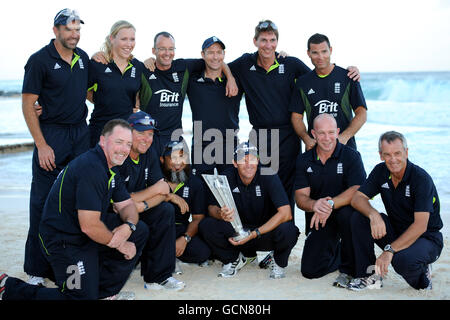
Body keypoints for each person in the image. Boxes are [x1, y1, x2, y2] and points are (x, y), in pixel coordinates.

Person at [0, 119, 149, 300]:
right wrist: (119, 242)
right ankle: (10, 288)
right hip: (63, 241)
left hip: (84, 235)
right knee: (79, 298)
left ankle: (104, 293)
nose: (124, 149)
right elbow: (89, 226)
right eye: (119, 142)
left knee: (139, 230)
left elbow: (127, 205)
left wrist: (129, 227)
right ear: (103, 140)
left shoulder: (111, 168)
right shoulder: (91, 169)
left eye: (128, 144)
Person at [228, 20, 360, 215]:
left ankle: (285, 238)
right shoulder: (244, 63)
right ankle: (261, 233)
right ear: (255, 41)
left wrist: (350, 72)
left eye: (272, 40)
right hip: (261, 136)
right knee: (262, 185)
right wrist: (229, 77)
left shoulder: (290, 64)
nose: (268, 45)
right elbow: (220, 66)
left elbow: (320, 77)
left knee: (287, 188)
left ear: (277, 42)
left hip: (289, 135)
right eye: (263, 40)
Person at [21, 8, 91, 286]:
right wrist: (42, 144)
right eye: (68, 29)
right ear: (56, 31)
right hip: (52, 136)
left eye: (77, 29)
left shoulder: (83, 58)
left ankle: (67, 263)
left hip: (80, 135)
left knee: (77, 201)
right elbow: (28, 105)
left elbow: (88, 92)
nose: (74, 34)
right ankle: (36, 271)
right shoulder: (39, 60)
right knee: (42, 202)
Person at [348, 131, 443, 290]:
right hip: (396, 230)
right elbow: (357, 198)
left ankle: (423, 276)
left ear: (406, 152)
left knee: (401, 260)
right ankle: (369, 276)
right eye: (387, 154)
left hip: (426, 238)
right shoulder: (380, 171)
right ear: (381, 155)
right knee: (359, 217)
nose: (393, 159)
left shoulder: (420, 179)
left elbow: (420, 226)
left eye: (397, 153)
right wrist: (374, 215)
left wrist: (389, 250)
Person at [199, 142, 299, 279]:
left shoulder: (268, 174)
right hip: (238, 233)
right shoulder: (226, 176)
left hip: (263, 233)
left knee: (289, 230)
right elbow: (211, 208)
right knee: (206, 225)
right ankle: (234, 259)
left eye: (252, 159)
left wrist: (254, 233)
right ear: (235, 163)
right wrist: (220, 213)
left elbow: (286, 213)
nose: (248, 164)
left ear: (257, 160)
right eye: (242, 160)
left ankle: (277, 261)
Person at [294, 114, 366, 287]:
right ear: (313, 134)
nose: (327, 138)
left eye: (331, 132)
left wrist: (330, 204)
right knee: (310, 271)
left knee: (350, 216)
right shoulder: (304, 160)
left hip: (345, 214)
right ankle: (339, 253)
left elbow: (358, 190)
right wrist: (315, 205)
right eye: (322, 133)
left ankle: (353, 265)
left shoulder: (352, 156)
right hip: (319, 217)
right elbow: (300, 198)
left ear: (338, 132)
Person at [138, 32, 238, 156]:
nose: (167, 53)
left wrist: (230, 77)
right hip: (148, 138)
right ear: (154, 50)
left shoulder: (183, 67)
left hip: (175, 140)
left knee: (180, 176)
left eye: (170, 49)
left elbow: (215, 61)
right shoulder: (145, 70)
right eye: (162, 49)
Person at [119, 111, 185, 291]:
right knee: (141, 226)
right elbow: (119, 200)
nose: (146, 139)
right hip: (113, 212)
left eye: (150, 134)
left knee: (165, 210)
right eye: (140, 133)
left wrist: (144, 205)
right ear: (127, 132)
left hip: (138, 207)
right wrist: (153, 192)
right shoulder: (118, 155)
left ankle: (158, 277)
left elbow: (164, 192)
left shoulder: (149, 153)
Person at [290, 33, 367, 151]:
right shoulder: (302, 83)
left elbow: (361, 113)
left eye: (324, 51)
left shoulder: (348, 77)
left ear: (330, 50)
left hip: (345, 148)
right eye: (315, 52)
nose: (320, 57)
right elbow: (296, 117)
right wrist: (306, 139)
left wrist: (344, 137)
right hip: (315, 150)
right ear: (308, 53)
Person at [187, 36, 243, 175]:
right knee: (201, 191)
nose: (215, 56)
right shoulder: (192, 81)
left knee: (230, 192)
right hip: (202, 145)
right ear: (203, 55)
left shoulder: (235, 81)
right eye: (210, 52)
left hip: (229, 144)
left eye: (219, 52)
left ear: (224, 54)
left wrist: (230, 78)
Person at [87, 20, 145, 147]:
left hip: (126, 133)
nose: (129, 44)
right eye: (124, 39)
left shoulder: (138, 66)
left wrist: (138, 102)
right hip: (100, 132)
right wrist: (102, 100)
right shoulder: (97, 64)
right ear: (112, 38)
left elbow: (142, 92)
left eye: (132, 39)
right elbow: (82, 91)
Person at [160, 139, 211, 268]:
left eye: (182, 156)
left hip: (179, 228)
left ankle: (169, 252)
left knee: (203, 253)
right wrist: (168, 196)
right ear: (162, 159)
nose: (178, 162)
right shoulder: (154, 177)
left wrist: (185, 238)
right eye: (173, 157)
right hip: (157, 227)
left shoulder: (195, 183)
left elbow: (198, 218)